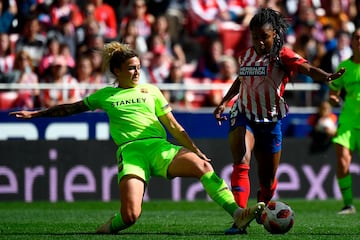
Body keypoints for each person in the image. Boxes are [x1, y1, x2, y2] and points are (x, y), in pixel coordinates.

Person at [9, 41, 265, 234]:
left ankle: (238, 214)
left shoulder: (151, 90)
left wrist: (193, 149)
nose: (136, 72)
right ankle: (107, 228)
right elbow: (69, 108)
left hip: (160, 148)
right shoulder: (105, 95)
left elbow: (173, 126)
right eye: (131, 68)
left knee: (203, 166)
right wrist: (36, 114)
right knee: (130, 216)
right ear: (117, 70)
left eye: (139, 68)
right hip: (131, 152)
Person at [212, 8, 345, 234]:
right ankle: (239, 218)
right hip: (243, 113)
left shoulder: (283, 55)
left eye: (264, 36)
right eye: (255, 37)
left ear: (274, 34)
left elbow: (307, 68)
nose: (259, 42)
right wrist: (225, 101)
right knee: (241, 161)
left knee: (268, 182)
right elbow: (242, 79)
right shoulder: (245, 55)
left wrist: (325, 77)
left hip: (271, 121)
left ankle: (261, 207)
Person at [328, 28, 360, 215]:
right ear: (351, 42)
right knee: (342, 160)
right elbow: (334, 89)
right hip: (348, 119)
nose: (359, 41)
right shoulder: (345, 66)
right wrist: (333, 98)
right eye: (356, 38)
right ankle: (348, 204)